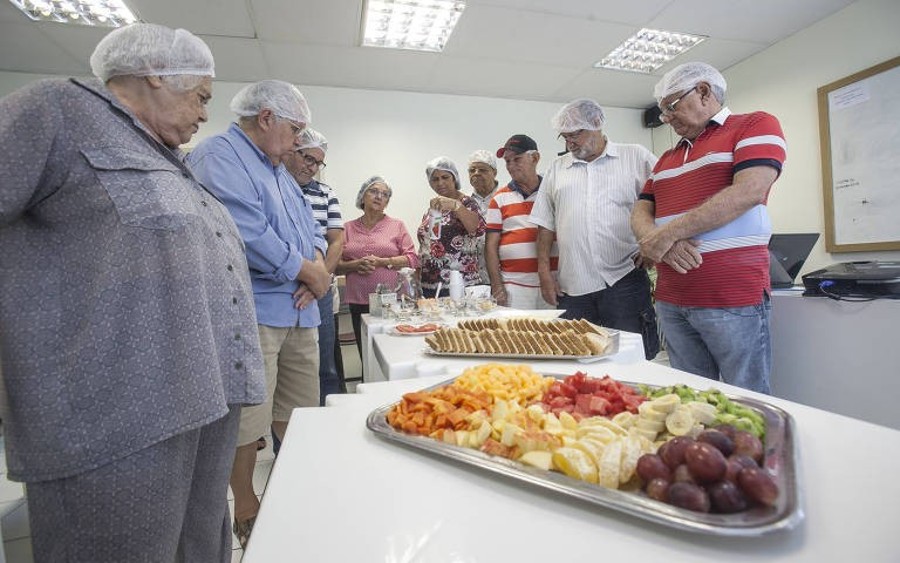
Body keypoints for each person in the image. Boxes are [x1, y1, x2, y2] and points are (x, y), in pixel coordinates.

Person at [0, 23, 265, 562]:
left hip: (205, 397)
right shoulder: (56, 111)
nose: (205, 114)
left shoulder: (169, 157)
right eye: (201, 96)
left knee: (195, 547)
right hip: (115, 414)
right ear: (155, 76)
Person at [187, 79, 330, 548]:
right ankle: (245, 503)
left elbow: (308, 231)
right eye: (295, 130)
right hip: (254, 311)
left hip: (299, 312)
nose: (297, 142)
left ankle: (300, 485)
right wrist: (307, 270)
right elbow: (244, 230)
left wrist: (310, 275)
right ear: (266, 118)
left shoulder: (280, 172)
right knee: (249, 416)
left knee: (300, 408)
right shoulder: (218, 155)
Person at [631, 62, 786, 394]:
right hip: (672, 300)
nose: (668, 118)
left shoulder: (754, 124)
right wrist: (656, 240)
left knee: (745, 398)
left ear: (703, 91)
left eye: (671, 108)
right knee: (690, 399)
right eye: (663, 113)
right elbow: (642, 208)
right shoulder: (666, 158)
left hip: (731, 297)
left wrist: (668, 234)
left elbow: (750, 190)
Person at [530, 99, 661, 360]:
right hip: (573, 287)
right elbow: (545, 224)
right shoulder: (557, 168)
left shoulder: (635, 156)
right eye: (565, 137)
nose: (570, 143)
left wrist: (652, 244)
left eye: (576, 133)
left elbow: (666, 201)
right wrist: (544, 272)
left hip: (624, 279)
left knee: (630, 357)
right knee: (579, 360)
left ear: (598, 124)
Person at [283, 128, 345, 405]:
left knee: (324, 364)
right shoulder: (274, 186)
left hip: (318, 292)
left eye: (318, 163)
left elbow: (337, 240)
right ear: (290, 151)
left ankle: (328, 423)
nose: (312, 168)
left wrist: (319, 280)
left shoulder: (325, 194)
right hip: (281, 289)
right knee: (284, 372)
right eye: (308, 159)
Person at [337, 176, 419, 358]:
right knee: (365, 352)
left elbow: (412, 259)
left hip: (392, 301)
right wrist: (354, 265)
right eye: (373, 191)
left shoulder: (397, 226)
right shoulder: (347, 228)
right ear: (362, 196)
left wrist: (383, 261)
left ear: (387, 202)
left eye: (385, 194)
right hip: (358, 300)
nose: (379, 196)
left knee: (393, 351)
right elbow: (335, 267)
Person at [485, 134, 558, 309]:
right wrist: (497, 285)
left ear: (535, 158)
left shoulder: (554, 192)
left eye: (516, 159)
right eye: (507, 161)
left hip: (553, 282)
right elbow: (490, 247)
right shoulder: (499, 198)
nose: (510, 166)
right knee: (516, 336)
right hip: (514, 287)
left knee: (552, 336)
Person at [416, 157, 487, 297]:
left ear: (454, 178)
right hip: (430, 286)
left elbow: (475, 227)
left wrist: (456, 206)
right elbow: (426, 244)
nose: (440, 182)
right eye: (435, 179)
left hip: (459, 285)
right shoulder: (433, 209)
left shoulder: (467, 203)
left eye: (445, 177)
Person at [467, 150, 500, 285]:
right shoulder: (464, 202)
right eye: (472, 170)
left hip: (503, 277)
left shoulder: (506, 197)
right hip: (472, 279)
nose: (476, 173)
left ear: (494, 173)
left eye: (482, 170)